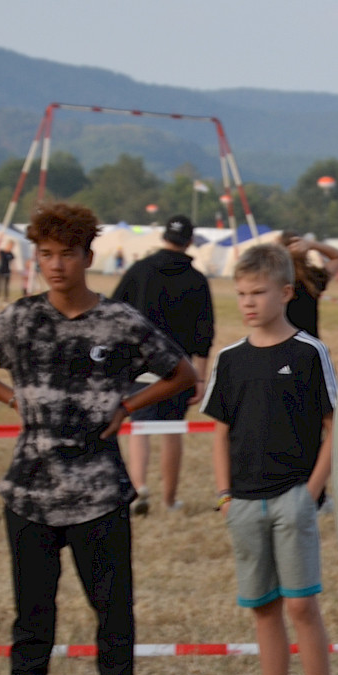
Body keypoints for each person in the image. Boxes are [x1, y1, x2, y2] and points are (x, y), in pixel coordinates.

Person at [0, 202, 195, 675]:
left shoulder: (119, 322)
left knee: (111, 606)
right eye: (47, 255)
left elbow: (182, 373)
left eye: (67, 255)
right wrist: (12, 397)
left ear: (88, 256)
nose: (56, 266)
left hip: (99, 490)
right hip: (30, 490)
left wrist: (128, 405)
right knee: (32, 608)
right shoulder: (19, 319)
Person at [202, 239, 338, 675]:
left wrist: (309, 493)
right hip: (243, 503)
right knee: (263, 607)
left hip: (293, 500)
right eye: (241, 292)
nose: (248, 302)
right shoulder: (229, 359)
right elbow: (219, 429)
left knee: (302, 607)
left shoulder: (310, 353)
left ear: (286, 292)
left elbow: (335, 425)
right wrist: (225, 495)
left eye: (258, 292)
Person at [113, 213, 214, 514]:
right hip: (180, 369)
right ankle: (170, 500)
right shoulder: (197, 279)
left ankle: (139, 487)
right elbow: (204, 332)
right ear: (190, 242)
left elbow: (116, 309)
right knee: (172, 430)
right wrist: (199, 377)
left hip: (140, 364)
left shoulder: (140, 270)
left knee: (139, 425)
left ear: (163, 237)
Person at [281, 233, 338, 340]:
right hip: (309, 342)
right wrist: (311, 245)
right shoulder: (313, 277)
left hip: (281, 341)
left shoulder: (274, 278)